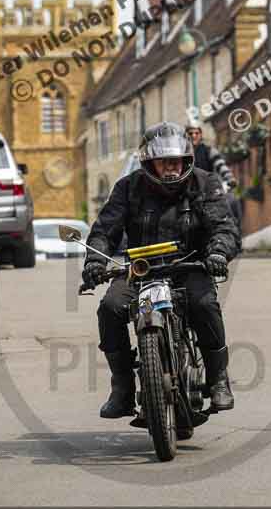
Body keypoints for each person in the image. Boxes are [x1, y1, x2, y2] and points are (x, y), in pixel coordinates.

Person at [82, 121, 240, 420]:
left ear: (186, 161)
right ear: (148, 163)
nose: (169, 169)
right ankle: (123, 388)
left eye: (175, 162)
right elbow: (105, 229)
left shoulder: (205, 184)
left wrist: (218, 252)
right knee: (111, 308)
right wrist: (95, 260)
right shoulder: (127, 188)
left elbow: (224, 226)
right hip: (142, 269)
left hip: (190, 264)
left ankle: (219, 379)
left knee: (204, 304)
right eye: (162, 162)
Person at [185, 123, 243, 247]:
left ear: (201, 135)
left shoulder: (209, 150)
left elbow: (220, 165)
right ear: (186, 135)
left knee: (231, 202)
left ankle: (234, 238)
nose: (194, 136)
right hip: (186, 190)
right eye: (191, 133)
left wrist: (229, 178)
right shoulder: (182, 153)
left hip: (207, 189)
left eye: (197, 133)